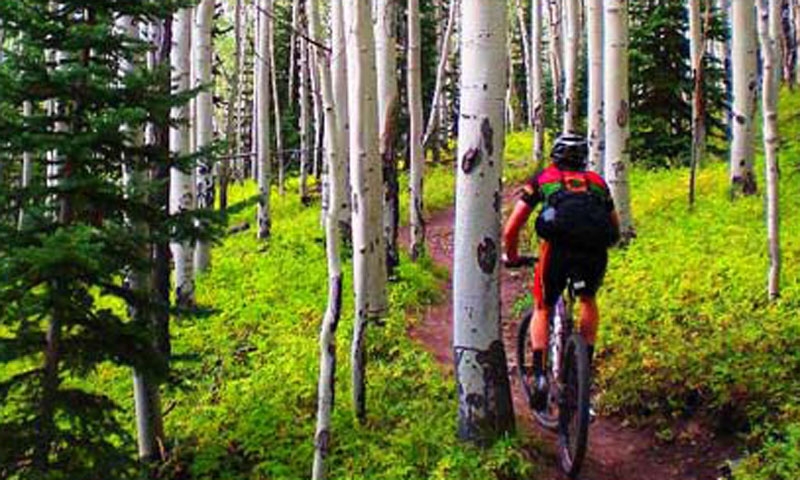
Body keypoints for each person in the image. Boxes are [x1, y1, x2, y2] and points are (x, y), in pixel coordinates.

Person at [502, 133, 620, 411]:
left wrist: (512, 254)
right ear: (583, 158)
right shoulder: (598, 183)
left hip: (557, 252)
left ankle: (541, 376)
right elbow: (614, 227)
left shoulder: (543, 180)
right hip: (593, 253)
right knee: (588, 300)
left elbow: (512, 227)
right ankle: (583, 370)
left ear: (555, 156)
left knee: (543, 306)